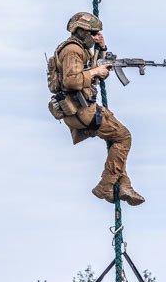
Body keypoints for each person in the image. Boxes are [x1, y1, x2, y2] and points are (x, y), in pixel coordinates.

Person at [47, 11, 144, 205]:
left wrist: (102, 49)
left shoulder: (81, 49)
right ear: (81, 31)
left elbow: (89, 69)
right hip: (80, 109)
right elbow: (72, 80)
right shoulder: (73, 50)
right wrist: (96, 71)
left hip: (81, 108)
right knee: (123, 137)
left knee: (116, 138)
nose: (94, 36)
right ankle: (106, 185)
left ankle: (124, 185)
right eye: (92, 33)